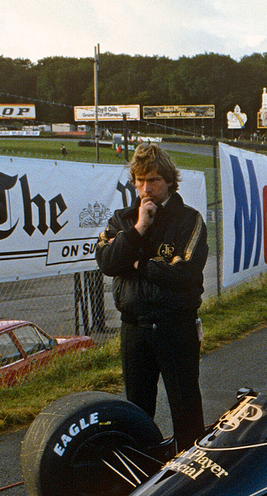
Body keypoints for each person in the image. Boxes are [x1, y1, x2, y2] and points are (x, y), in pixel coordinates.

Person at [96, 143, 208, 450]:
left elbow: (183, 273)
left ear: (169, 180)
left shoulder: (189, 219)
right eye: (141, 180)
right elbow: (107, 263)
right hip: (134, 326)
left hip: (175, 325)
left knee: (185, 406)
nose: (147, 188)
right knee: (137, 410)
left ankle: (192, 466)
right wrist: (139, 229)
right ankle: (143, 468)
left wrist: (136, 263)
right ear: (133, 182)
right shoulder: (122, 220)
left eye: (155, 180)